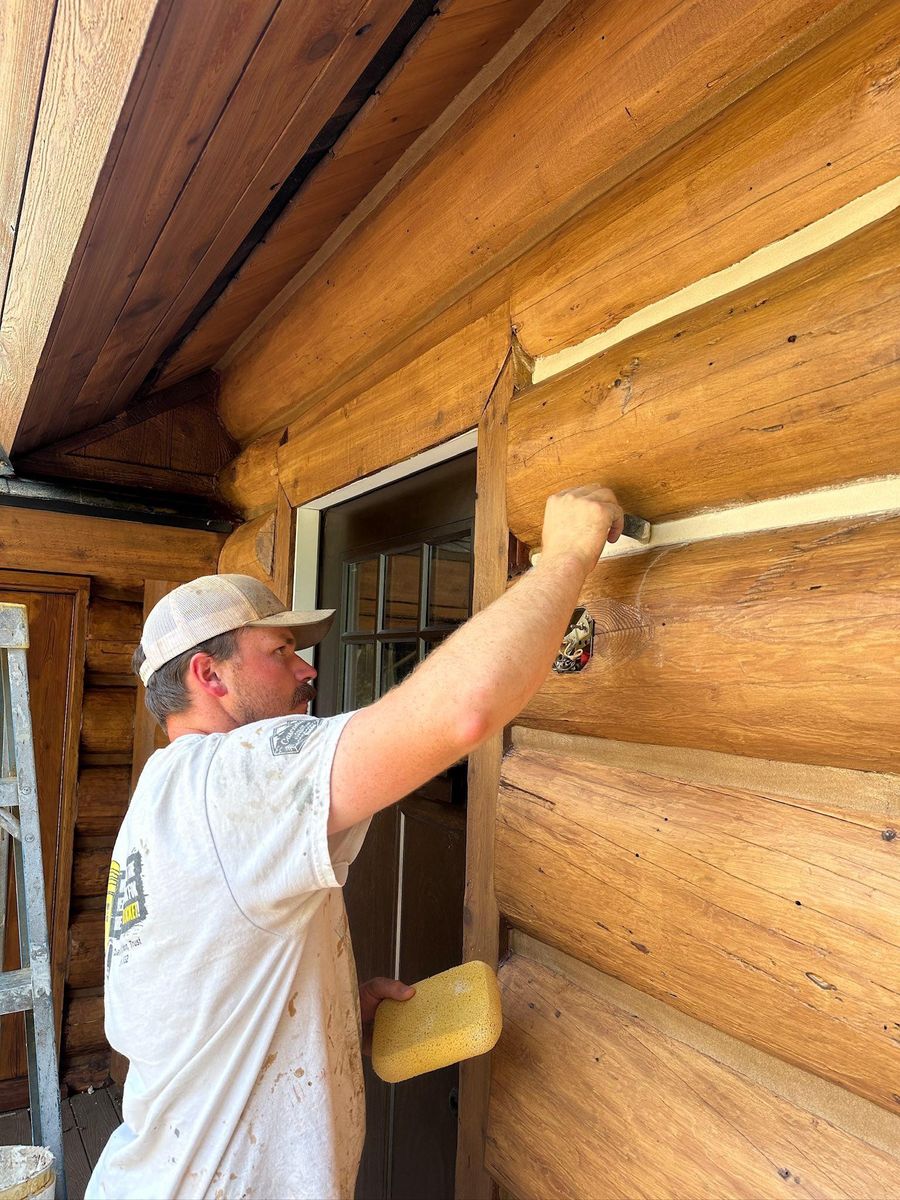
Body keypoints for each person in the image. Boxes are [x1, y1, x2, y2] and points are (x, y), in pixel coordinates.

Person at [86, 484, 624, 1200]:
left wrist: (328, 1004)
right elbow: (461, 712)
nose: (309, 669)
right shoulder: (237, 776)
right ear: (207, 675)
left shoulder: (168, 790)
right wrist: (564, 557)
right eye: (281, 651)